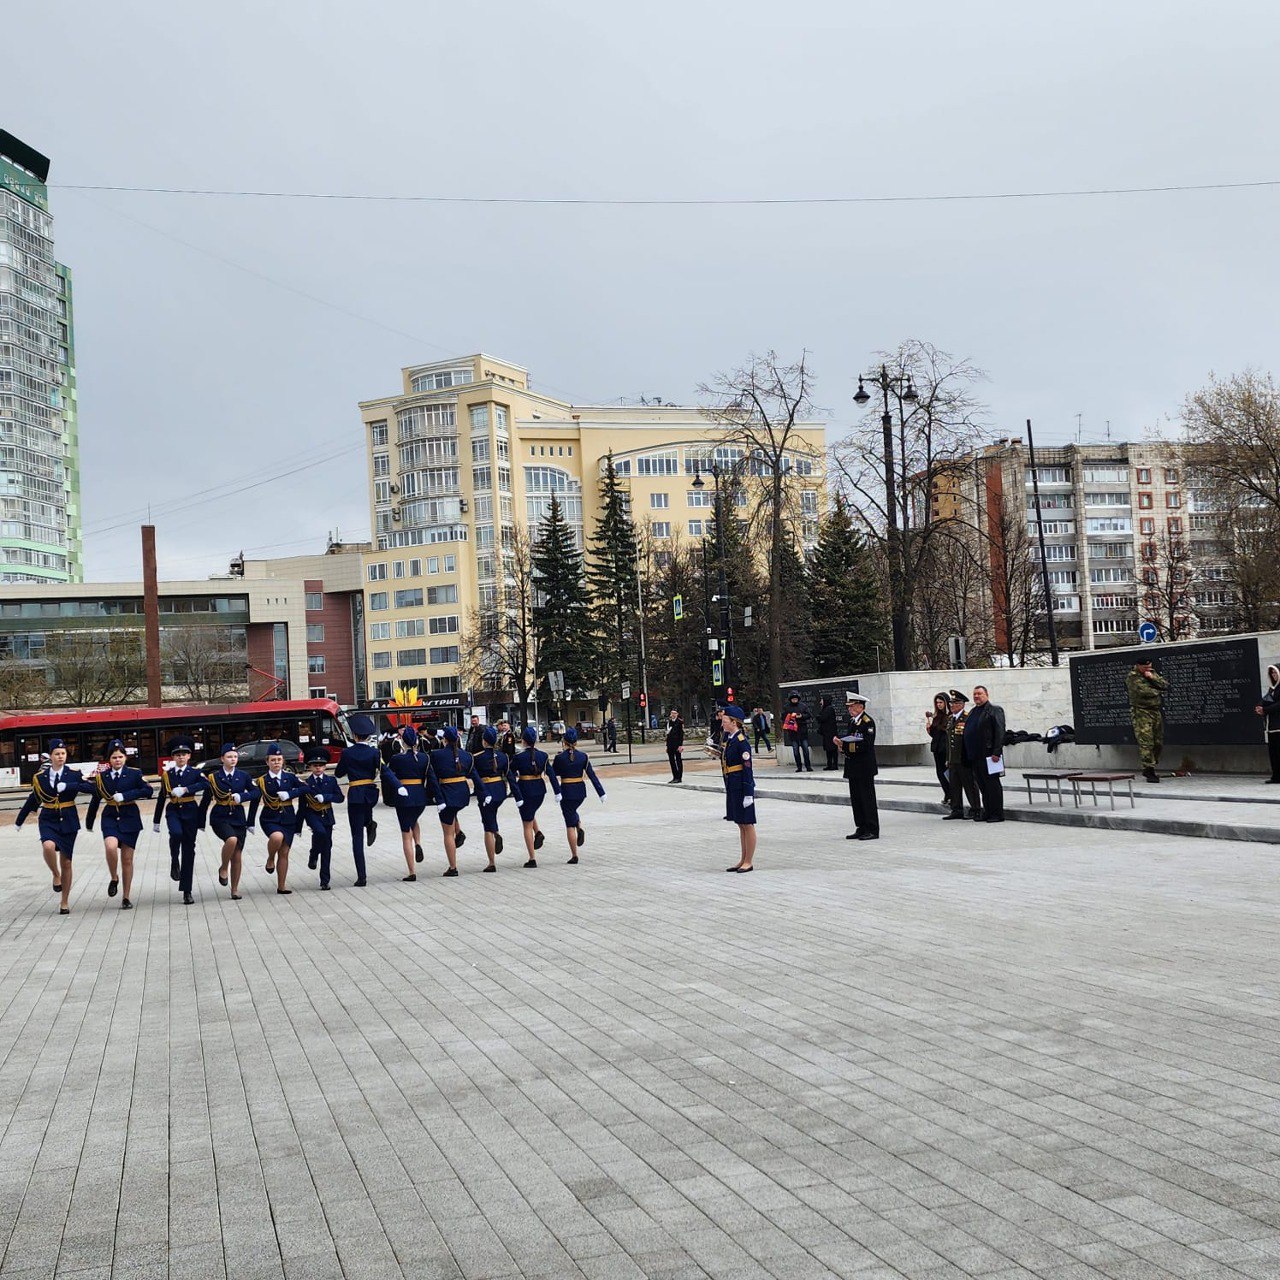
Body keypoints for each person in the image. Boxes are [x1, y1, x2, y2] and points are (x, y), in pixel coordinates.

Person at [16, 737, 86, 915]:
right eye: (57, 754)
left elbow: (91, 789)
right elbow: (34, 798)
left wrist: (69, 785)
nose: (61, 757)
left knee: (67, 862)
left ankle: (64, 901)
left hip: (69, 818)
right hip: (48, 817)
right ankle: (55, 874)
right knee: (47, 845)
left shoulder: (73, 773)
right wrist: (19, 820)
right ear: (51, 756)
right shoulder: (40, 777)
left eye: (63, 753)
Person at [84, 738, 153, 910]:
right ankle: (114, 877)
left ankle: (126, 897)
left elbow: (148, 791)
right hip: (110, 816)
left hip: (130, 816)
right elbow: (96, 798)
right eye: (114, 757)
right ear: (109, 760)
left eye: (120, 757)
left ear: (125, 758)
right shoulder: (102, 777)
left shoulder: (134, 773)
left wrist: (127, 795)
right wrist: (89, 821)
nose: (117, 760)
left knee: (127, 860)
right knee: (110, 846)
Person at [153, 737, 209, 905]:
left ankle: (187, 890)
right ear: (173, 757)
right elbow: (162, 797)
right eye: (177, 754)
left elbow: (207, 786)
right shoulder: (167, 775)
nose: (181, 757)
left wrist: (186, 789)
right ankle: (173, 857)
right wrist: (156, 820)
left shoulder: (195, 773)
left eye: (184, 754)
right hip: (173, 811)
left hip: (190, 811)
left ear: (189, 756)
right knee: (176, 833)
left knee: (189, 852)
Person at [245, 743, 307, 894]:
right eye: (273, 760)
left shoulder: (290, 777)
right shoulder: (261, 781)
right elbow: (254, 800)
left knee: (285, 852)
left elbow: (306, 788)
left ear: (283, 761)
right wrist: (250, 822)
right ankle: (270, 858)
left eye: (279, 759)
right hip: (269, 817)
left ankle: (281, 886)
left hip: (288, 818)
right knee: (277, 838)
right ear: (267, 762)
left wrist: (291, 794)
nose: (276, 762)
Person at [198, 742, 256, 899]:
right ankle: (223, 868)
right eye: (229, 757)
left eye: (235, 757)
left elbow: (256, 792)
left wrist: (243, 797)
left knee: (237, 854)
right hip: (220, 816)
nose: (233, 759)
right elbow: (205, 800)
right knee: (231, 840)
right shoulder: (214, 777)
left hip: (238, 816)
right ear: (222, 758)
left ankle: (235, 889)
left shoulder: (243, 776)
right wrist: (200, 821)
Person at [381, 725, 432, 881]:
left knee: (405, 833)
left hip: (404, 797)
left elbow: (389, 777)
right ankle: (418, 843)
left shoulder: (397, 758)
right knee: (414, 820)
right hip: (420, 797)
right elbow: (429, 778)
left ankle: (411, 871)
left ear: (402, 741)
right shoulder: (424, 757)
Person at [470, 725, 523, 872]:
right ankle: (497, 833)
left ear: (484, 741)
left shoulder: (477, 758)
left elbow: (474, 777)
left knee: (486, 825)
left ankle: (491, 862)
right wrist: (518, 796)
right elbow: (511, 777)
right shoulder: (503, 756)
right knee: (491, 814)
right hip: (500, 790)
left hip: (486, 791)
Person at [335, 713, 380, 886]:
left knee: (356, 837)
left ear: (354, 735)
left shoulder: (347, 753)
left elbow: (339, 773)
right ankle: (370, 823)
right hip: (370, 793)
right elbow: (383, 770)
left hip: (355, 794)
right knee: (366, 815)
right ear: (369, 736)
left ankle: (362, 876)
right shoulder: (375, 752)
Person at [550, 726, 605, 863]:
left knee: (569, 823)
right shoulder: (583, 757)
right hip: (580, 791)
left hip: (566, 791)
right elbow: (592, 776)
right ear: (576, 742)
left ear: (564, 741)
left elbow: (553, 773)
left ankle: (574, 855)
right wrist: (601, 793)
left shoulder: (559, 758)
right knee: (573, 811)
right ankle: (579, 825)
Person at [426, 725, 473, 876]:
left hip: (446, 794)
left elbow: (432, 777)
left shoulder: (436, 755)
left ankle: (453, 867)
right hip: (462, 793)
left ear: (444, 739)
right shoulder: (467, 755)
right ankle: (458, 832)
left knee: (447, 833)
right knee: (453, 813)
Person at [511, 725, 561, 867]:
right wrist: (557, 792)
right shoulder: (543, 755)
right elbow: (551, 775)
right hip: (540, 790)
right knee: (531, 812)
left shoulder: (519, 757)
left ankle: (532, 858)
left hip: (525, 790)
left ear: (523, 741)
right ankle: (538, 832)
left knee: (526, 824)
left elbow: (511, 773)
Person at [718, 704, 757, 872]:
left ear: (734, 722)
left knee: (747, 823)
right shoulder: (731, 739)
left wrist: (749, 793)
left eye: (725, 721)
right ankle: (743, 858)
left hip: (742, 785)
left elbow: (747, 768)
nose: (723, 724)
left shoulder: (741, 741)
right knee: (741, 823)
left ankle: (749, 860)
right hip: (733, 784)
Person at [300, 746, 345, 889]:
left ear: (325, 767)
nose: (318, 768)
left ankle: (324, 880)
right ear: (310, 767)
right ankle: (313, 853)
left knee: (327, 847)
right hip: (312, 814)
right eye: (315, 766)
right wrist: (297, 827)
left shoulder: (330, 781)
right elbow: (302, 806)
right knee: (319, 832)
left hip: (327, 814)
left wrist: (326, 797)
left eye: (321, 765)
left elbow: (340, 798)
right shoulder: (306, 783)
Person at [964, 685, 1006, 822]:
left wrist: (996, 752)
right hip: (975, 755)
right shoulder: (972, 711)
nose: (976, 696)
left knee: (992, 785)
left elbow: (1000, 732)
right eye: (975, 694)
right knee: (982, 785)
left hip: (989, 755)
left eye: (979, 694)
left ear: (986, 694)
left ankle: (997, 814)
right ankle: (987, 812)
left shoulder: (994, 710)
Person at [841, 693, 879, 841]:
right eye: (849, 707)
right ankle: (861, 826)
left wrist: (847, 746)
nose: (850, 709)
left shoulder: (867, 722)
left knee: (867, 798)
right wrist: (841, 745)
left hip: (864, 766)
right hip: (853, 766)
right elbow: (850, 740)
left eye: (852, 706)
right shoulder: (852, 722)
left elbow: (866, 745)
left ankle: (872, 828)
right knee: (856, 799)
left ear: (861, 707)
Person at [1126, 656, 1168, 783]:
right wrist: (1157, 690)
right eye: (1145, 667)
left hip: (1155, 710)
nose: (1148, 669)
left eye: (1150, 667)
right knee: (1146, 741)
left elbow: (1165, 685)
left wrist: (1152, 677)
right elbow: (1146, 692)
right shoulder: (1133, 677)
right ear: (1139, 666)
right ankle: (1149, 769)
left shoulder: (1151, 673)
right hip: (1141, 711)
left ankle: (1152, 764)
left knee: (1158, 742)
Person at [943, 691, 983, 821]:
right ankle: (957, 809)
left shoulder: (967, 718)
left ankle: (976, 809)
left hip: (964, 758)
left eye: (954, 703)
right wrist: (948, 759)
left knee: (970, 785)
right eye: (951, 703)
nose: (951, 706)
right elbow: (949, 741)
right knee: (954, 786)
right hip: (953, 760)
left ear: (961, 704)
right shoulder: (950, 719)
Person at [927, 691, 952, 804]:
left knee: (947, 773)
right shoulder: (937, 716)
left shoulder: (950, 716)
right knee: (940, 773)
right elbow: (935, 734)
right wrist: (929, 729)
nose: (939, 705)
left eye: (941, 702)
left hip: (946, 748)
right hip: (937, 748)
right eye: (937, 703)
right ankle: (947, 793)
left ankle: (952, 794)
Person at [1257, 664, 1280, 783]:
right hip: (1271, 727)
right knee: (1273, 753)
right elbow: (1266, 699)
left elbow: (1278, 705)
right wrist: (1260, 706)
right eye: (1272, 673)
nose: (1274, 675)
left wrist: (1265, 710)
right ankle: (1276, 776)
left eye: (1275, 673)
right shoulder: (1272, 689)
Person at [782, 690, 813, 773]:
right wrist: (790, 716)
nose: (795, 700)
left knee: (805, 750)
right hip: (793, 732)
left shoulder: (803, 706)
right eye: (793, 699)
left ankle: (808, 766)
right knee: (796, 751)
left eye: (796, 699)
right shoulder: (786, 707)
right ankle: (799, 766)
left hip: (802, 730)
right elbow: (783, 717)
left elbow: (809, 715)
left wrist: (801, 716)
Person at [817, 696, 840, 771]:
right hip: (827, 733)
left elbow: (823, 718)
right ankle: (829, 764)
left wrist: (818, 717)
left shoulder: (829, 709)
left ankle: (834, 764)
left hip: (830, 733)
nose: (820, 702)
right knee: (828, 749)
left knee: (832, 749)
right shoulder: (826, 708)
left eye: (822, 700)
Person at [665, 709, 685, 783]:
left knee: (678, 760)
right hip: (670, 744)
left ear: (677, 714)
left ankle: (679, 777)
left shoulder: (679, 722)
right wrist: (667, 746)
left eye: (674, 713)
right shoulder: (669, 722)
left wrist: (680, 745)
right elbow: (668, 734)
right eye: (672, 713)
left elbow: (681, 734)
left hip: (677, 743)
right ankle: (674, 776)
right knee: (671, 760)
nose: (673, 715)